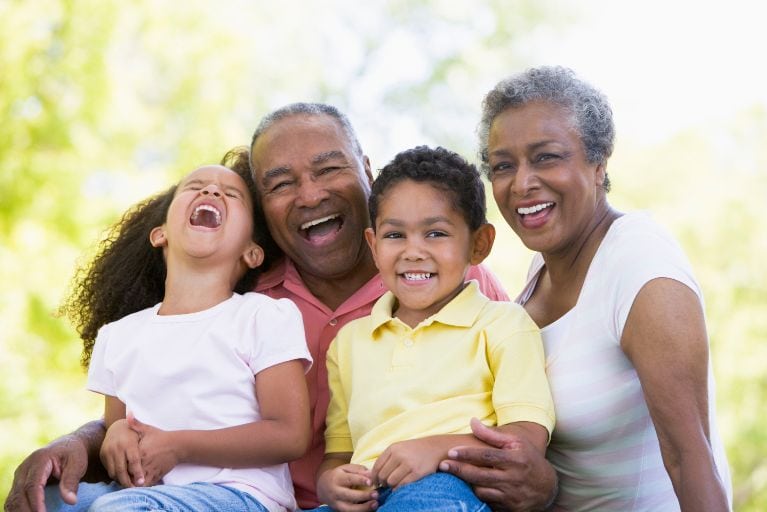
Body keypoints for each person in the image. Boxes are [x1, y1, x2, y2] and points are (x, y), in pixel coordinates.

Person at [6, 103, 509, 512]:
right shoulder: (246, 300)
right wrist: (81, 440)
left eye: (329, 168)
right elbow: (148, 405)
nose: (310, 194)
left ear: (367, 172)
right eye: (281, 183)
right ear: (262, 212)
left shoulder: (450, 281)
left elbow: (525, 404)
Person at [439, 66, 733, 511]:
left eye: (546, 157)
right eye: (503, 165)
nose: (521, 183)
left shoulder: (639, 265)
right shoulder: (540, 271)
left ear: (599, 163)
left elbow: (689, 457)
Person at [43, 162, 312, 512]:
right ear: (160, 234)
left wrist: (179, 446)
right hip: (144, 494)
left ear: (252, 251)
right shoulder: (119, 336)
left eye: (231, 194)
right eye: (195, 186)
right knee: (49, 500)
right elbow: (118, 426)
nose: (211, 191)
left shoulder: (263, 316)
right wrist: (117, 436)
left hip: (239, 494)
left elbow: (289, 435)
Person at [313, 146, 555, 512]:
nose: (413, 251)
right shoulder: (348, 343)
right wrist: (331, 484)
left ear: (479, 244)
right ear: (373, 245)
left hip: (452, 485)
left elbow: (526, 441)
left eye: (436, 233)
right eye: (395, 236)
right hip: (371, 494)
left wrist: (437, 448)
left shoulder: (503, 324)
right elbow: (339, 454)